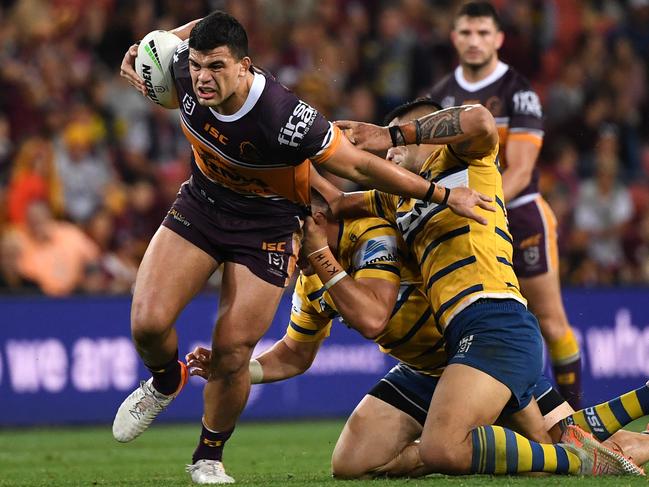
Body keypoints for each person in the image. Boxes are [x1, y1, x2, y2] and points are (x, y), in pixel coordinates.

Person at [112, 11, 492, 485]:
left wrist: (442, 194)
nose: (202, 79)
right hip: (204, 202)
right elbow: (204, 23)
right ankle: (167, 380)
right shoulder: (177, 70)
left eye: (216, 67)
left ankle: (208, 456)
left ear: (244, 66)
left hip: (268, 223)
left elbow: (361, 168)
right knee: (147, 324)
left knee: (233, 350)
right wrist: (155, 45)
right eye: (196, 65)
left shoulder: (285, 116)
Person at [185, 187, 649, 478]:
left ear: (317, 220)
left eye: (286, 234)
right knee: (351, 464)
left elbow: (373, 318)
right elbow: (295, 353)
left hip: (474, 355)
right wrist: (238, 367)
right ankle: (457, 443)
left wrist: (321, 261)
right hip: (422, 371)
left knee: (558, 452)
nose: (280, 247)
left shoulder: (371, 235)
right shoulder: (311, 282)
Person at [326, 99, 643, 476]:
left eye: (401, 141)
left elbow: (478, 119)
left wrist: (390, 133)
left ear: (433, 136)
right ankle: (614, 435)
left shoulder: (464, 161)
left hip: (493, 320)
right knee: (546, 447)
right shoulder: (398, 198)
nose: (389, 151)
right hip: (460, 340)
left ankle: (577, 460)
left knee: (445, 447)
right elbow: (332, 204)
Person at [427, 1, 583, 408]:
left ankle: (576, 420)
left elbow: (521, 168)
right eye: (466, 33)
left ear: (498, 39)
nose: (474, 41)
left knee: (550, 321)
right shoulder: (442, 96)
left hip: (519, 213)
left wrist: (481, 201)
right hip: (464, 214)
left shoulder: (519, 92)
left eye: (483, 33)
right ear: (454, 37)